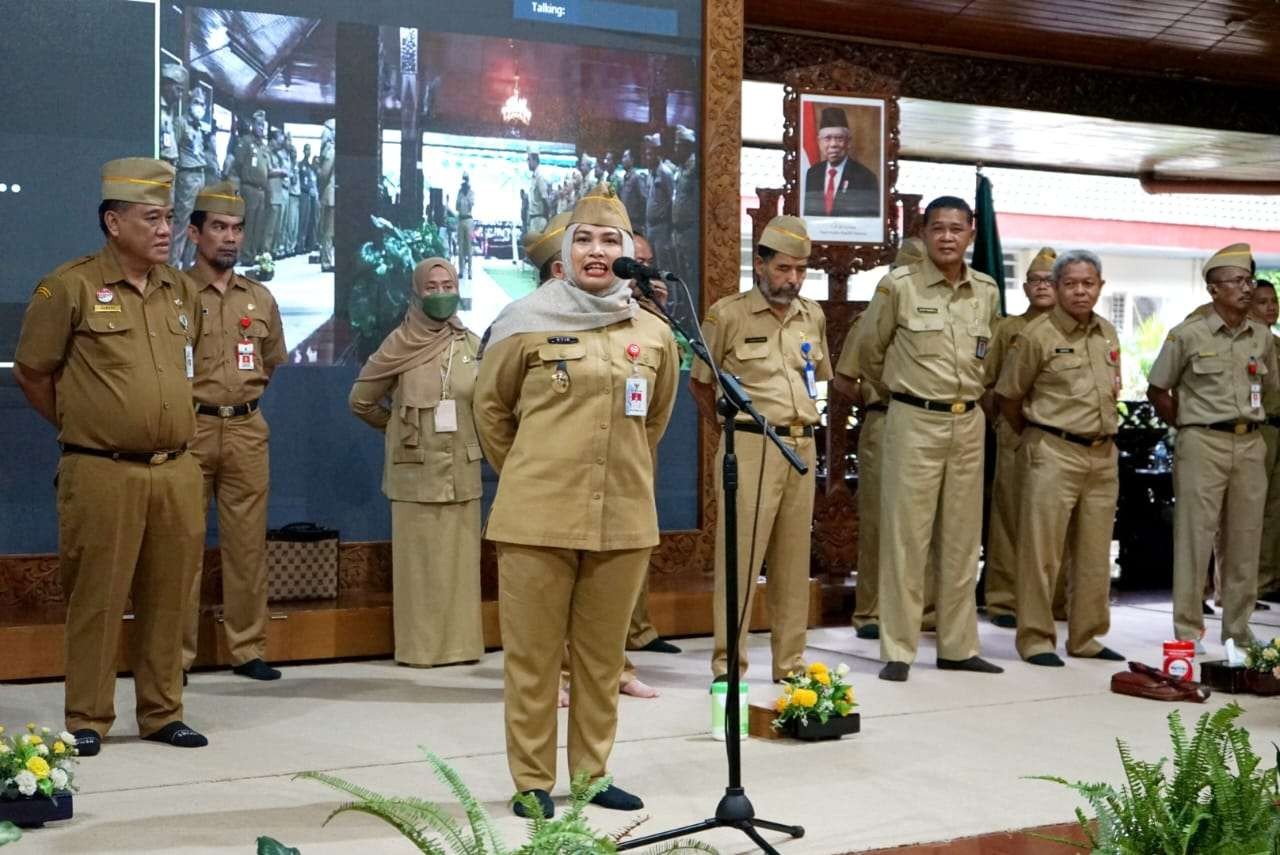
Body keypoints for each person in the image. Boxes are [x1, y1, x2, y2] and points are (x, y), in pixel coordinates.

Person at [474, 184, 679, 819]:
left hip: (621, 518)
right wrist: (536, 474)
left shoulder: (653, 333)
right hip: (536, 517)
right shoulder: (523, 321)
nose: (597, 250)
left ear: (627, 252)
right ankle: (532, 782)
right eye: (584, 239)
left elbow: (655, 421)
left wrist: (614, 477)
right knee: (533, 661)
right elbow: (490, 410)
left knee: (602, 662)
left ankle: (591, 775)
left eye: (610, 240)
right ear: (564, 252)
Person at [12, 157, 208, 754]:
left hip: (175, 470)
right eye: (151, 217)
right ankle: (88, 719)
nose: (164, 229)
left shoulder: (182, 292)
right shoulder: (67, 286)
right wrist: (87, 425)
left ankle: (162, 712)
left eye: (169, 217)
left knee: (170, 597)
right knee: (97, 597)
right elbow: (32, 372)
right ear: (112, 222)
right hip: (101, 470)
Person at [855, 196, 1003, 682]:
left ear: (971, 234)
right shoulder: (897, 285)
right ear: (923, 232)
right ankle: (898, 648)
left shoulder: (985, 290)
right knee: (906, 537)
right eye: (937, 228)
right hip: (914, 418)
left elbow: (992, 354)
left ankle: (958, 645)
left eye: (956, 229)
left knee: (962, 539)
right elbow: (871, 353)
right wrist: (904, 391)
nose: (947, 237)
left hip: (968, 421)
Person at [690, 215, 831, 683]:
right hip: (751, 446)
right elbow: (700, 384)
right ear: (761, 264)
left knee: (793, 563)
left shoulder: (812, 315)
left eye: (800, 271)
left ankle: (790, 665)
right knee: (742, 560)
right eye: (783, 269)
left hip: (802, 447)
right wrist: (730, 432)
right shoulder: (727, 315)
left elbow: (817, 380)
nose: (792, 280)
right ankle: (729, 665)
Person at [350, 258, 485, 668]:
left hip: (461, 472)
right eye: (432, 286)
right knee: (420, 569)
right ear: (416, 291)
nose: (441, 293)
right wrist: (396, 431)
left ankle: (463, 648)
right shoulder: (398, 343)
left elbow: (491, 405)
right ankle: (420, 650)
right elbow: (361, 401)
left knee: (462, 568)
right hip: (415, 475)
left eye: (448, 285)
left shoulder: (472, 345)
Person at [995, 249, 1125, 666]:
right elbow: (1008, 397)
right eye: (1070, 284)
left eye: (1088, 283)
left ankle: (1086, 636)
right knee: (1041, 551)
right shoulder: (1037, 335)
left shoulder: (1106, 331)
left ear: (1100, 286)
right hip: (1053, 450)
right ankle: (1035, 638)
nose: (1080, 291)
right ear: (1055, 287)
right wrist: (1038, 435)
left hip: (1103, 454)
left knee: (1093, 552)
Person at [181, 181, 287, 682]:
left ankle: (247, 649)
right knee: (181, 546)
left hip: (246, 428)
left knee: (248, 546)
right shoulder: (173, 294)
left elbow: (270, 363)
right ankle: (174, 657)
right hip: (189, 428)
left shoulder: (259, 298)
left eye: (237, 229)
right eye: (219, 228)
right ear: (194, 233)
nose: (229, 238)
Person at [1147, 243, 1277, 650]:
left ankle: (1237, 629)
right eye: (1236, 282)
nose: (1246, 289)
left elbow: (1270, 389)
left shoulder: (1261, 337)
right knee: (1194, 539)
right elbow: (1158, 389)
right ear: (1213, 289)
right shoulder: (1188, 333)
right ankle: (1188, 629)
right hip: (1202, 441)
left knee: (1245, 538)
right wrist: (1188, 425)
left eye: (1248, 281)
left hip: (1251, 442)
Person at [833, 238, 925, 641]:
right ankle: (870, 611)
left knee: (930, 522)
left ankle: (926, 609)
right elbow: (843, 378)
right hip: (886, 423)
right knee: (878, 521)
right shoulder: (872, 317)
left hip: (934, 424)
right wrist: (880, 398)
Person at [982, 247, 1058, 628]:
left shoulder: (1078, 329)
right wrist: (1004, 424)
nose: (1042, 286)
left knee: (1055, 523)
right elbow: (988, 382)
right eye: (1035, 281)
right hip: (1015, 432)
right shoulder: (1008, 329)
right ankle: (1004, 601)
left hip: (1061, 440)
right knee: (1009, 518)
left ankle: (1054, 600)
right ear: (1025, 287)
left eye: (1049, 280)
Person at [1252, 280, 1280, 601]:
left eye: (1273, 300)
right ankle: (1249, 584)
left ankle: (1268, 580)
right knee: (1252, 510)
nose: (1271, 307)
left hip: (1278, 430)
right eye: (1262, 302)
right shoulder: (1248, 344)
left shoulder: (1277, 345)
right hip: (1257, 429)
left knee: (1274, 508)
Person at [803, 107, 878, 218]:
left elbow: (870, 220)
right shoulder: (812, 174)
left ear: (848, 142)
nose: (833, 144)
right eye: (827, 138)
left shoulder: (866, 177)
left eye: (839, 138)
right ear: (819, 142)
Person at [169, 79, 207, 268]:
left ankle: (188, 264)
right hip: (187, 177)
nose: (200, 107)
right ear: (190, 103)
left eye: (203, 104)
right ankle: (173, 265)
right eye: (197, 103)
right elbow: (173, 153)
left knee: (197, 224)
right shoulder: (181, 123)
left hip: (200, 176)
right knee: (182, 223)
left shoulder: (199, 128)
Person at [233, 110, 272, 265]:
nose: (261, 128)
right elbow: (238, 163)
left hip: (261, 190)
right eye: (258, 124)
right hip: (249, 188)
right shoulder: (246, 142)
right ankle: (244, 255)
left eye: (263, 125)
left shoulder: (263, 146)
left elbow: (266, 168)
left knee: (258, 225)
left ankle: (252, 254)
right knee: (247, 224)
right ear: (252, 125)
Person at [669, 126, 698, 286]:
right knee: (681, 276)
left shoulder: (695, 168)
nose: (675, 150)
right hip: (678, 232)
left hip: (689, 232)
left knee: (692, 275)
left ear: (686, 146)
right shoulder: (680, 169)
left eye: (678, 146)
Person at [643, 133, 676, 271]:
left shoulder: (665, 173)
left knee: (664, 267)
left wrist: (670, 227)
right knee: (652, 266)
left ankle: (669, 293)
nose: (647, 157)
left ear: (658, 153)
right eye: (646, 154)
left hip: (662, 228)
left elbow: (671, 200)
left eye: (650, 154)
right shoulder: (651, 173)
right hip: (650, 227)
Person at [317, 118, 336, 272]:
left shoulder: (331, 149)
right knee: (328, 231)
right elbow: (324, 174)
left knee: (329, 230)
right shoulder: (330, 150)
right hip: (330, 195)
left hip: (331, 194)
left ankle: (328, 259)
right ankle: (326, 261)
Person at [618, 148, 649, 234]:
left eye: (625, 157)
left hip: (635, 224)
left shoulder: (637, 178)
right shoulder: (624, 179)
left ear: (632, 160)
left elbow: (643, 199)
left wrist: (641, 221)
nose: (622, 160)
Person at [526, 147, 552, 236]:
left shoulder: (540, 176)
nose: (528, 163)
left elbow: (545, 198)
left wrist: (547, 217)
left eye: (529, 160)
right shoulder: (534, 177)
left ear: (535, 160)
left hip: (539, 219)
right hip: (534, 219)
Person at [456, 173, 475, 280]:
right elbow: (457, 207)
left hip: (468, 219)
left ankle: (470, 271)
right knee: (461, 247)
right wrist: (461, 195)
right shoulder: (459, 192)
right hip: (461, 219)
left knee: (469, 246)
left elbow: (471, 205)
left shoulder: (471, 193)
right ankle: (461, 271)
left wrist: (466, 194)